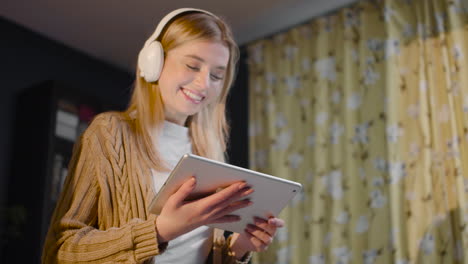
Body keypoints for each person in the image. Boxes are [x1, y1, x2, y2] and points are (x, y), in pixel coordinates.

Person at [42, 7, 285, 264]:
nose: (204, 84)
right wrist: (160, 230)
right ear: (154, 62)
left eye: (216, 75)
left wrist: (238, 249)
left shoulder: (209, 152)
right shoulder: (109, 133)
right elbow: (62, 250)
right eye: (192, 65)